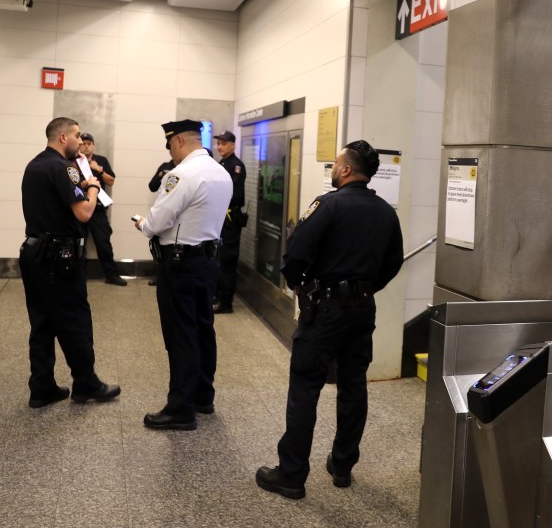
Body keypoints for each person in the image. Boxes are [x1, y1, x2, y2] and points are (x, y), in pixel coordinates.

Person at [256, 140, 403, 500]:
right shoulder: (385, 211)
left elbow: (296, 256)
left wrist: (305, 289)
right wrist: (363, 289)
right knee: (354, 386)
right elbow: (393, 262)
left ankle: (291, 475)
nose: (334, 169)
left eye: (337, 164)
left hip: (324, 311)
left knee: (306, 385)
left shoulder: (328, 205)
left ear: (347, 170)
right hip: (362, 310)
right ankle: (342, 465)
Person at [134, 119, 232, 430]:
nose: (171, 153)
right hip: (207, 261)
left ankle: (180, 408)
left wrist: (142, 224)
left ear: (177, 142)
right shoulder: (221, 173)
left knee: (181, 334)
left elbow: (158, 220)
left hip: (180, 264)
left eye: (170, 145)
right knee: (203, 328)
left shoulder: (181, 175)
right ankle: (203, 396)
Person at [19, 116, 121, 409]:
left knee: (42, 322)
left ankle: (41, 387)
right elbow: (84, 213)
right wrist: (91, 186)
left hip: (34, 253)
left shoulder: (35, 164)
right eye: (77, 136)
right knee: (74, 319)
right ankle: (86, 382)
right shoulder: (64, 168)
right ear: (63, 137)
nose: (80, 142)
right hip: (59, 259)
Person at [77, 133, 126, 286]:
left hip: (98, 209)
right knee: (78, 242)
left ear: (93, 145)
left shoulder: (101, 160)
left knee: (103, 242)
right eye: (83, 143)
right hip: (79, 206)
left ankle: (111, 275)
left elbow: (111, 181)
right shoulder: (73, 160)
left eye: (89, 143)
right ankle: (78, 276)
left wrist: (99, 169)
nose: (86, 145)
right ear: (79, 145)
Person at [212, 130, 246, 314]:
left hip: (230, 219)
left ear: (233, 145)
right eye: (218, 143)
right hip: (220, 218)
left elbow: (231, 193)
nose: (219, 147)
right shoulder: (222, 163)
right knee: (218, 258)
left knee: (227, 260)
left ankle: (226, 302)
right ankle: (217, 295)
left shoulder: (236, 166)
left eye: (223, 144)